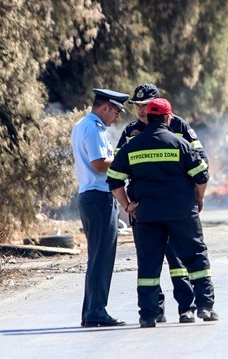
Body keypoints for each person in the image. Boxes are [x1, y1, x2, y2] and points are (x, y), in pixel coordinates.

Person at [107, 97, 218, 328]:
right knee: (195, 257)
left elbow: (114, 180)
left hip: (147, 215)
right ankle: (205, 306)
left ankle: (148, 315)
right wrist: (198, 198)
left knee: (148, 265)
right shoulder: (180, 144)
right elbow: (201, 175)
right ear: (168, 118)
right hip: (182, 213)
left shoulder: (132, 145)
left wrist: (127, 206)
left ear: (149, 116)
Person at [71, 88, 130, 328]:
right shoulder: (94, 129)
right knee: (102, 258)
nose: (116, 118)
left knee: (97, 256)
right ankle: (96, 311)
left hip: (91, 196)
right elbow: (98, 164)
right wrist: (125, 161)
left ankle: (91, 311)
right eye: (115, 112)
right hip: (98, 196)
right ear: (105, 107)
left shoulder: (82, 125)